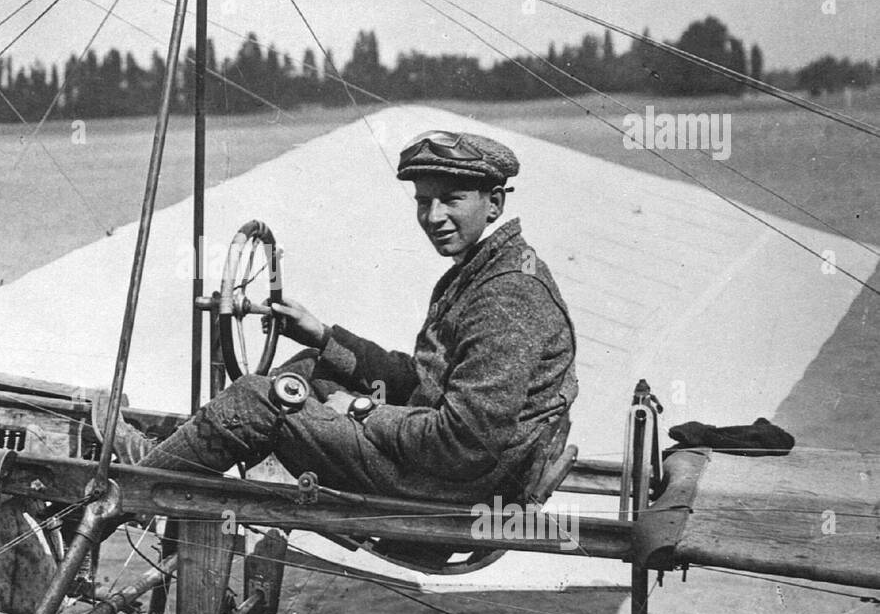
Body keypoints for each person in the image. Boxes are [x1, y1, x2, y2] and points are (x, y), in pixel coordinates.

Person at [102, 128, 578, 503]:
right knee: (310, 365)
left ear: (494, 203)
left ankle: (143, 483)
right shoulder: (487, 270)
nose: (434, 217)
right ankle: (180, 458)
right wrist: (325, 336)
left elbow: (463, 443)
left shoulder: (507, 295)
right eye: (423, 201)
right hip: (457, 474)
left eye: (452, 199)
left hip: (448, 490)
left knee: (257, 397)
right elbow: (426, 383)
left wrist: (360, 409)